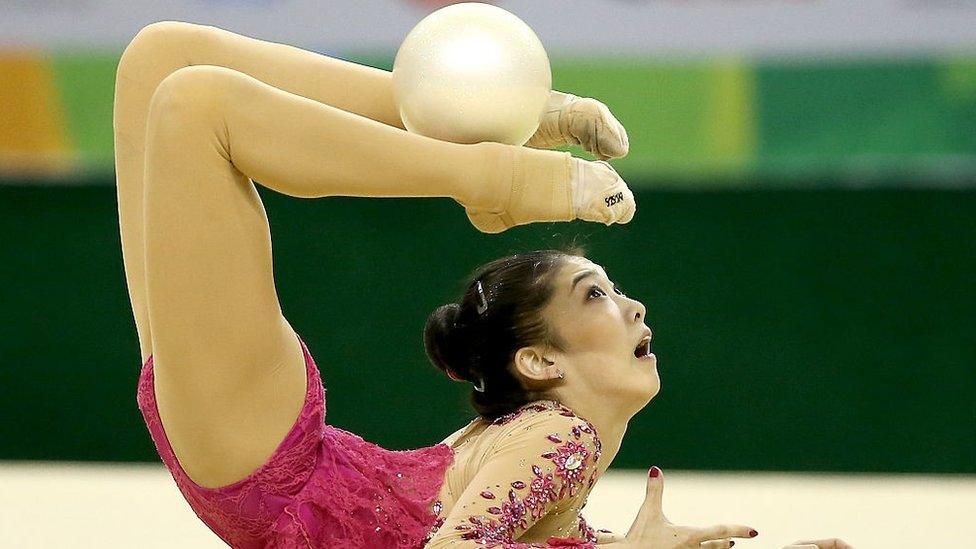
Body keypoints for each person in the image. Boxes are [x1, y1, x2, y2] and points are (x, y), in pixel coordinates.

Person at [116, 21, 849, 549]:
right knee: (164, 61)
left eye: (595, 292)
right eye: (602, 293)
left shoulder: (560, 436)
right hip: (267, 455)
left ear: (540, 361)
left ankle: (497, 170)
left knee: (196, 106)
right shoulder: (559, 442)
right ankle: (508, 132)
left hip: (281, 475)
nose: (635, 305)